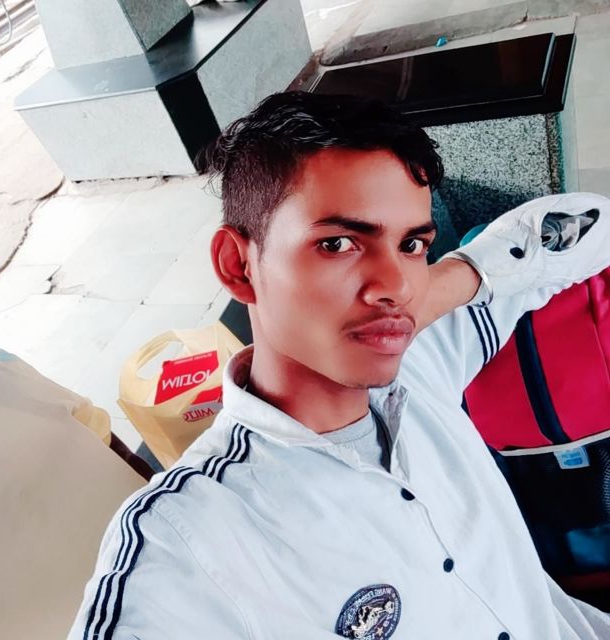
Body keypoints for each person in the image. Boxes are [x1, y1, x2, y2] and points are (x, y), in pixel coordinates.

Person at [69, 92, 610, 639]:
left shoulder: (421, 367)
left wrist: (427, 298)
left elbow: (592, 225)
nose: (394, 284)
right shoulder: (188, 537)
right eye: (337, 243)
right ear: (238, 266)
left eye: (412, 244)